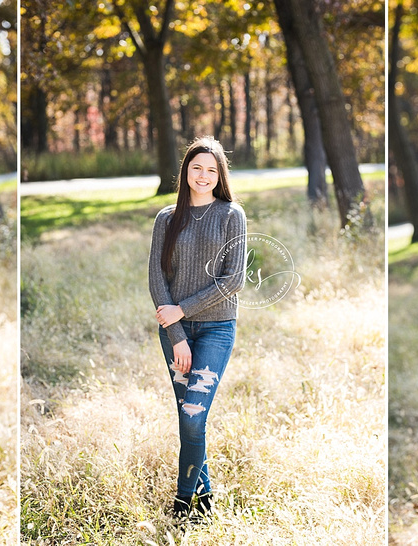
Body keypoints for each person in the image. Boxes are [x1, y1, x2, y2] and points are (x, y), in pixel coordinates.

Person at [148, 136, 247, 522]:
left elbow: (234, 279)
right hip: (175, 333)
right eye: (196, 167)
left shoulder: (231, 214)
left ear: (219, 174)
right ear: (185, 172)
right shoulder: (167, 218)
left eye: (211, 169)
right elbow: (156, 276)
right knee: (190, 416)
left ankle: (183, 502)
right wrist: (175, 332)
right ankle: (205, 499)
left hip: (217, 329)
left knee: (193, 414)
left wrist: (183, 310)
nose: (203, 175)